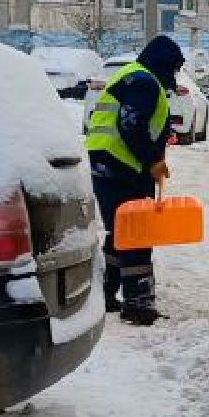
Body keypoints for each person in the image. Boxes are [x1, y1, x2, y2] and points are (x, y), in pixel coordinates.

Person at [84, 34, 184, 325]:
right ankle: (139, 304)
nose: (174, 75)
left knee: (121, 231)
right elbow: (130, 123)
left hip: (106, 163)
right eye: (174, 68)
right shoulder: (145, 82)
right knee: (138, 231)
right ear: (164, 63)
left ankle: (105, 293)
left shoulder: (130, 75)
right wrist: (151, 160)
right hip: (122, 165)